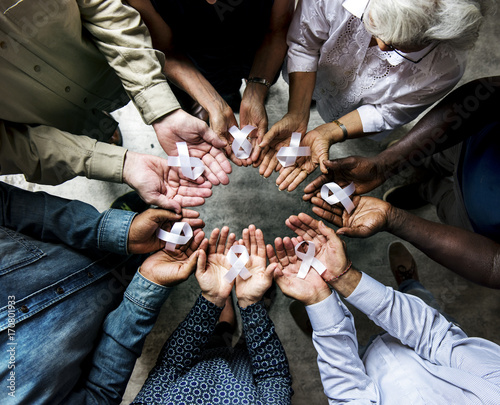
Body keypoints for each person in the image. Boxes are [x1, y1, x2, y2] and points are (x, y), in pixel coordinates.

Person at [0, 0, 232, 209]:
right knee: (87, 136)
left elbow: (103, 8)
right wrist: (117, 164)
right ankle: (101, 134)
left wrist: (163, 111)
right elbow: (9, 147)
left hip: (106, 72)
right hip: (48, 124)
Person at [0, 180, 206, 403]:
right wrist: (148, 285)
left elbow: (6, 204)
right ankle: (130, 265)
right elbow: (99, 396)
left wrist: (112, 230)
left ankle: (118, 229)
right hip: (114, 309)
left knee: (102, 232)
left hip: (81, 243)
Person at [257, 0, 486, 191]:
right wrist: (297, 112)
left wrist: (329, 131)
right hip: (316, 77)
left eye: (401, 45)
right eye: (374, 25)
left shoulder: (445, 66)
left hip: (356, 109)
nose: (383, 45)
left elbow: (386, 113)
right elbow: (304, 45)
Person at [272, 213, 500, 403]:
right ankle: (410, 283)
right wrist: (345, 278)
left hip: (366, 371)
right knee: (423, 305)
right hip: (423, 348)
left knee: (339, 347)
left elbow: (351, 395)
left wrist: (320, 305)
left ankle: (321, 328)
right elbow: (434, 337)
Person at [302, 76, 500, 287]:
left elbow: (494, 265)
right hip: (470, 140)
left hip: (475, 223)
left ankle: (428, 191)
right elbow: (487, 95)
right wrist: (386, 164)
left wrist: (395, 219)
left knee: (444, 201)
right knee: (431, 153)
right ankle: (421, 163)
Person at [132, 225, 293, 404]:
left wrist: (213, 299)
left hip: (203, 359)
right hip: (250, 374)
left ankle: (225, 312)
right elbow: (273, 378)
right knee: (247, 346)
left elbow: (170, 367)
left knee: (219, 332)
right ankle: (253, 313)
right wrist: (252, 304)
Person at [126, 0, 294, 166]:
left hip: (257, 42)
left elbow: (277, 30)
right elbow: (167, 51)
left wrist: (256, 90)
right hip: (199, 57)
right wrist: (213, 103)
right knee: (221, 88)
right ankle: (225, 96)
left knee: (259, 77)